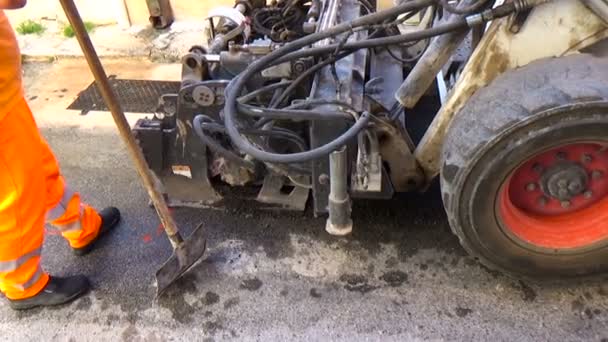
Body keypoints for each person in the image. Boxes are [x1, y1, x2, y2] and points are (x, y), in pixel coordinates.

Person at [0, 0, 120, 310]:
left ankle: (82, 227)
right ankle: (23, 285)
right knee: (15, 197)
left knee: (40, 170)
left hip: (6, 96)